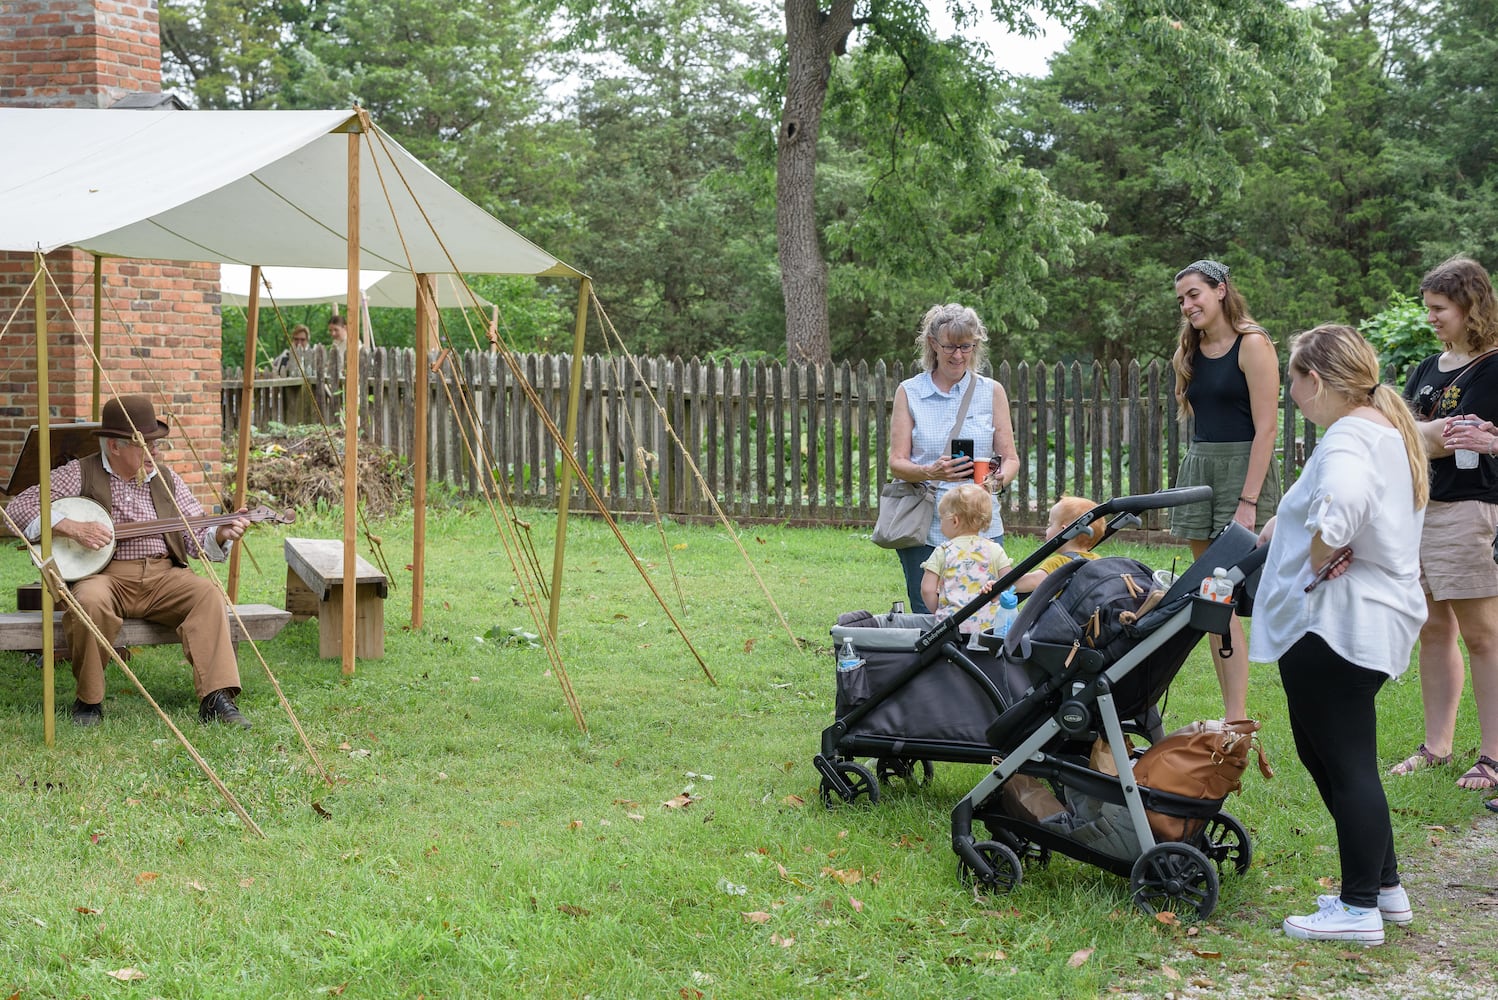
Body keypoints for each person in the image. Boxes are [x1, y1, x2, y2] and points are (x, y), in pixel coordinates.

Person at [1249, 323, 1427, 945]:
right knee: (1332, 755)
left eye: (1294, 382)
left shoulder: (1349, 435)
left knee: (1346, 763)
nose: (1291, 394)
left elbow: (1345, 501)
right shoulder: (1382, 429)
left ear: (1315, 379)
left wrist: (1324, 549)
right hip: (1367, 620)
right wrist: (1289, 527)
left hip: (1338, 623)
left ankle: (1357, 911)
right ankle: (1384, 888)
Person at [6, 395, 253, 728]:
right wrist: (70, 526)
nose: (154, 452)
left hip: (164, 576)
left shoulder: (166, 479)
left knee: (207, 595)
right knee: (89, 602)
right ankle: (89, 702)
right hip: (104, 576)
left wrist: (221, 533)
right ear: (114, 447)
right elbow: (18, 509)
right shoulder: (80, 472)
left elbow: (198, 540)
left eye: (154, 443)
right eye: (143, 445)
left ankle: (216, 698)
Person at [1391, 256, 1498, 792]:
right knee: (1433, 629)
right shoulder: (1429, 367)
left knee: (1482, 634)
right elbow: (1408, 432)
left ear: (1470, 306)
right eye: (1428, 307)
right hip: (1424, 509)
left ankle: (1494, 756)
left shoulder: (1495, 366)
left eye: (1440, 308)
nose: (1431, 317)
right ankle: (1437, 747)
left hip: (1472, 508)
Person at [1168, 259, 1281, 723]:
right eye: (1181, 300)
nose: (1188, 305)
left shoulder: (1252, 344)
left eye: (1194, 294)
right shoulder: (1189, 349)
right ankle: (1234, 714)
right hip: (1201, 472)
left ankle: (1245, 712)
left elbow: (1268, 428)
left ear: (1220, 290)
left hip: (1244, 473)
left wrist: (1249, 500)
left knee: (1257, 590)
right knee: (1214, 598)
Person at [887, 304, 1020, 613]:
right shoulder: (910, 392)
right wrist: (930, 470)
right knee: (929, 610)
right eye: (950, 346)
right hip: (926, 524)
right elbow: (897, 461)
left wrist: (997, 480)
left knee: (988, 607)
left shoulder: (991, 391)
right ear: (933, 344)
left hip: (981, 523)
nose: (958, 355)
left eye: (966, 346)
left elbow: (1010, 458)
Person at [920, 483, 1013, 636]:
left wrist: (939, 610)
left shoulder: (942, 551)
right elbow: (1009, 583)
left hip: (951, 628)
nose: (940, 523)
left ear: (954, 521)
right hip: (988, 628)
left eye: (942, 518)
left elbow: (927, 589)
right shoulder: (994, 549)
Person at [1012, 495, 1102, 594]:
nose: (1047, 529)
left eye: (1050, 525)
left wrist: (1001, 585)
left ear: (1064, 530)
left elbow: (1033, 581)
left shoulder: (1059, 563)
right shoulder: (1097, 560)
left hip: (1065, 609)